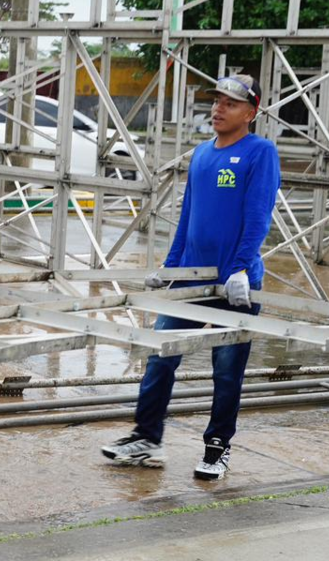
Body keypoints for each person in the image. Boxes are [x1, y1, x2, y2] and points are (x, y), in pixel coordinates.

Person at [101, 74, 280, 481]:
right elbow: (188, 217)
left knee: (227, 370)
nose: (218, 109)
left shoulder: (259, 153)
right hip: (192, 280)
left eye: (230, 104)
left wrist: (240, 268)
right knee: (160, 355)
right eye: (216, 101)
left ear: (250, 112)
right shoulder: (201, 155)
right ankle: (147, 438)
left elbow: (257, 218)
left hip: (236, 285)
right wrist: (172, 266)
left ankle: (217, 449)